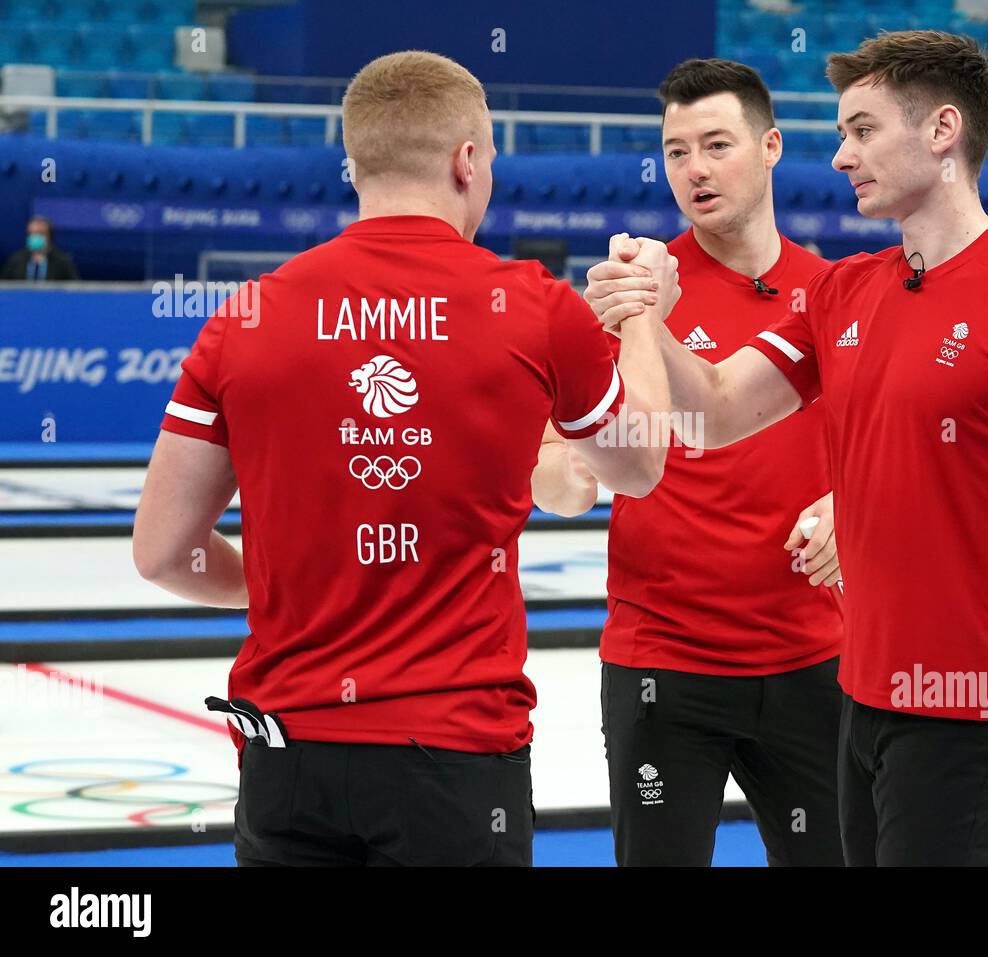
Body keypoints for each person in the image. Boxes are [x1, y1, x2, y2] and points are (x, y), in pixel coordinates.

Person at [586, 30, 988, 866]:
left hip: (970, 719)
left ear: (942, 132)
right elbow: (718, 411)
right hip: (858, 700)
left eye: (862, 130)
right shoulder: (845, 290)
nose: (840, 156)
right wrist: (646, 313)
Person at [132, 50, 677, 867]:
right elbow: (639, 465)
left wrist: (288, 584)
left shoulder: (244, 317)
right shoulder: (532, 305)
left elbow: (163, 552)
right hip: (453, 757)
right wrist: (637, 311)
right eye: (489, 155)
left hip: (287, 751)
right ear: (467, 161)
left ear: (354, 165)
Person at [535, 58, 845, 866]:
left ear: (771, 145)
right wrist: (576, 473)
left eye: (716, 144)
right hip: (663, 670)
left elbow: (887, 451)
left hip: (815, 659)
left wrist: (850, 508)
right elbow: (555, 471)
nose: (695, 170)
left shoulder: (837, 296)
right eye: (676, 151)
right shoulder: (625, 299)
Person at [1, 216, 80, 281]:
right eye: (31, 233)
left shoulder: (62, 262)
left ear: (49, 236)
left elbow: (74, 288)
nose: (35, 237)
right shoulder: (16, 260)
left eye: (40, 233)